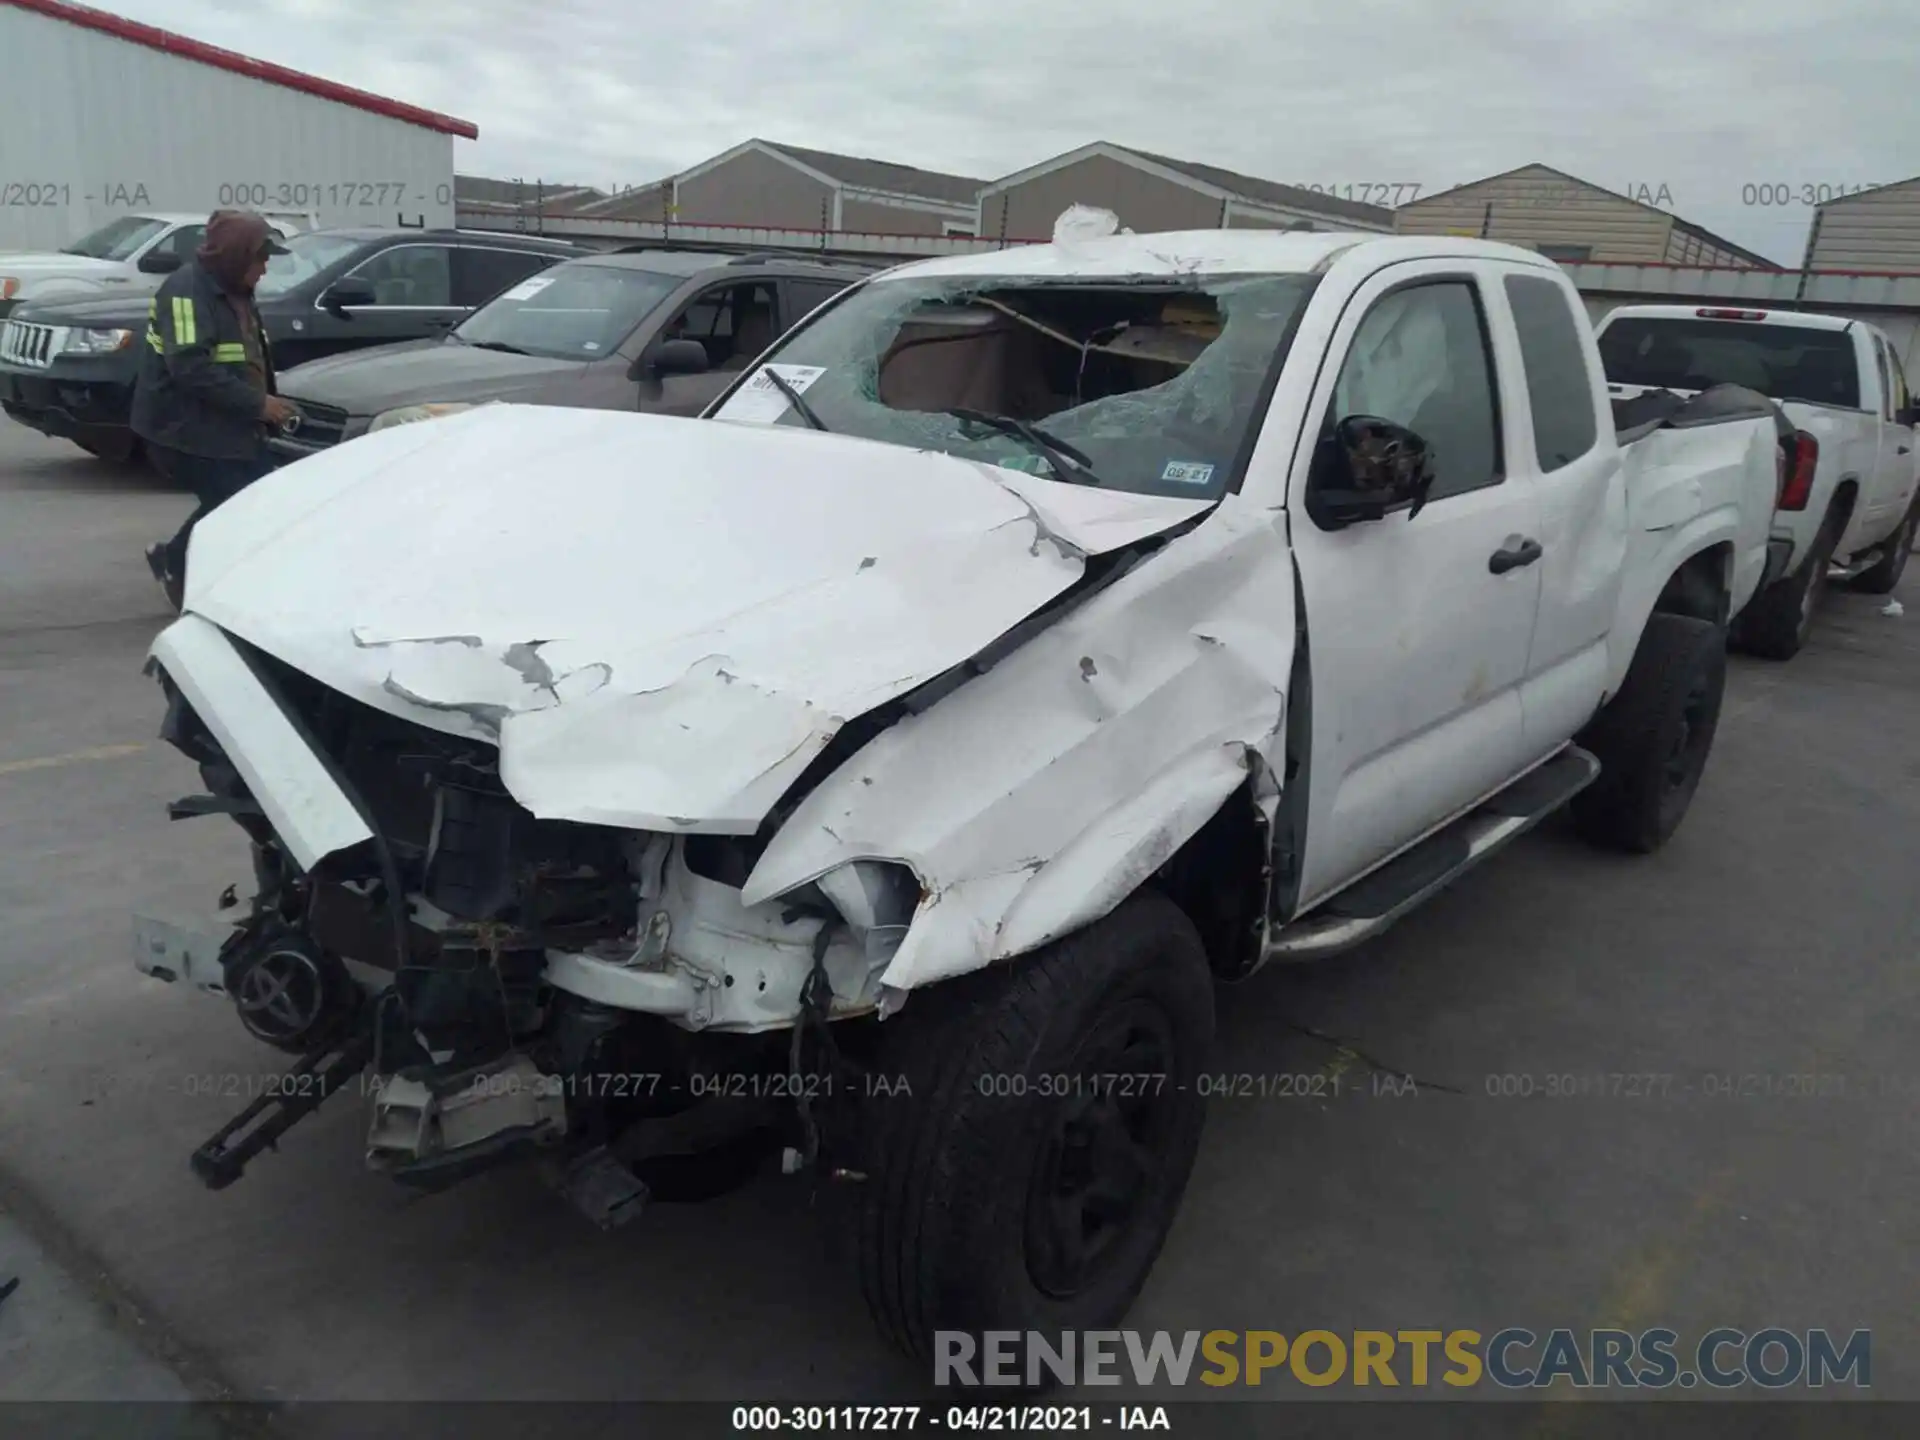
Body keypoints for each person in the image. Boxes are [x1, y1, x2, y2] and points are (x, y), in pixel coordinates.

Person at [134, 210, 299, 608]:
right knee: (238, 501)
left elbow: (247, 357)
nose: (263, 270)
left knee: (258, 498)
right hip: (181, 429)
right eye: (260, 260)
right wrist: (259, 404)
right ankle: (178, 563)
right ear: (236, 255)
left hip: (226, 424)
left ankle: (192, 565)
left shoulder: (235, 289)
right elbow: (190, 367)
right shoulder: (187, 292)